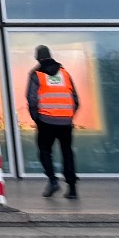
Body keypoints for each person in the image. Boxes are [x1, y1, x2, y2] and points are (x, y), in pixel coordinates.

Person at [25, 44, 79, 199]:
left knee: (45, 151)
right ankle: (72, 188)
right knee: (67, 153)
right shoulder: (65, 73)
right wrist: (69, 115)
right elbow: (75, 99)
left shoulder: (37, 74)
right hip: (66, 122)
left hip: (46, 121)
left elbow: (32, 99)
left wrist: (37, 118)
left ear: (37, 57)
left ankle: (53, 180)